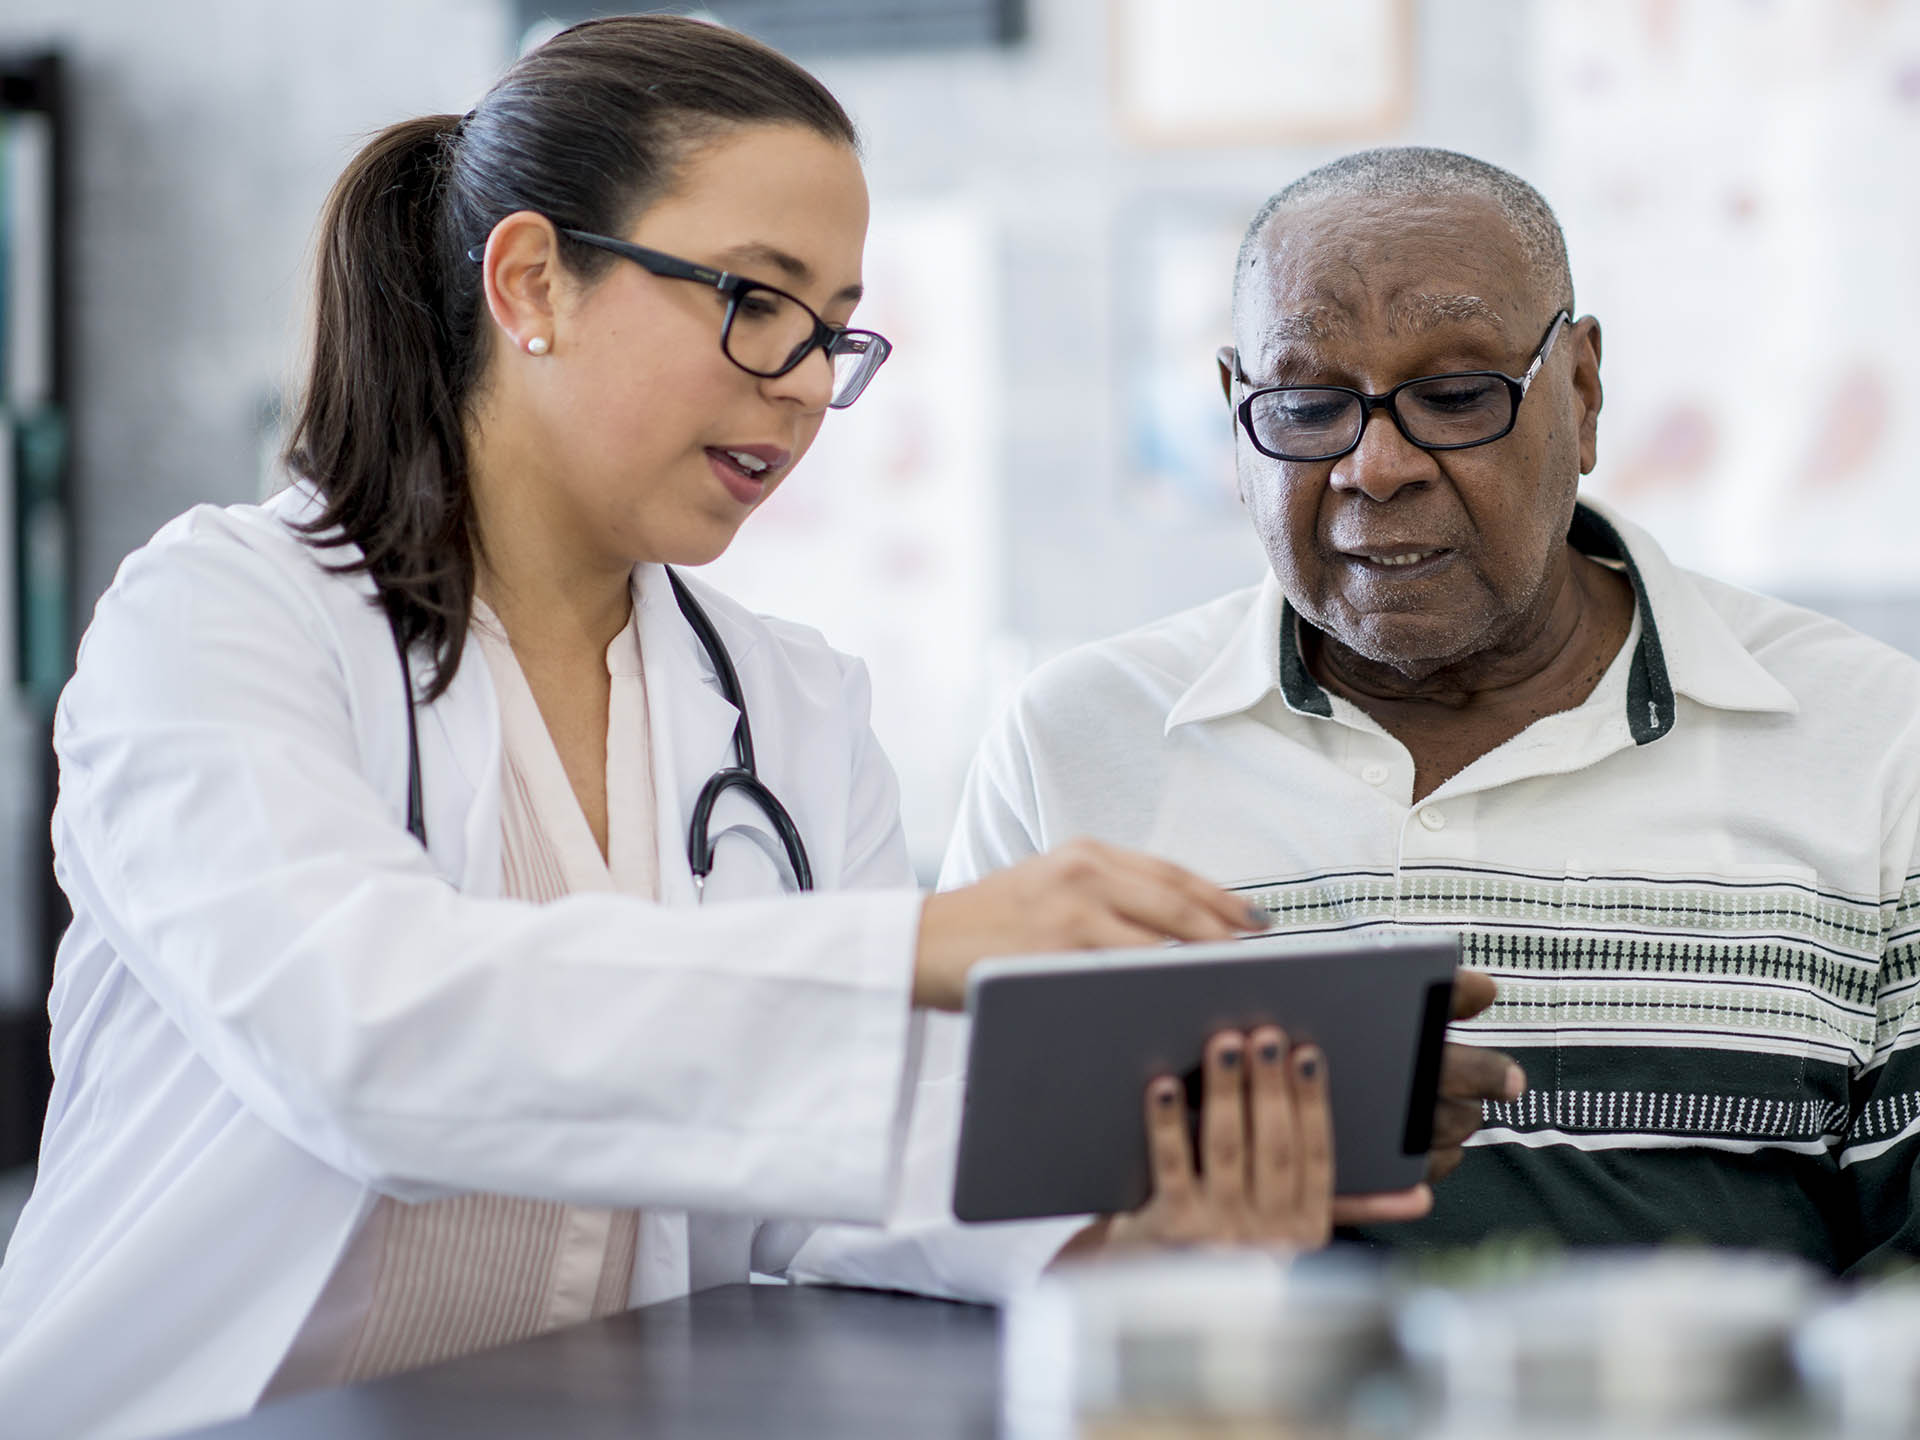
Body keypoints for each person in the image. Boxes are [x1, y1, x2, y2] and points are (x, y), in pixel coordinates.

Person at [0, 18, 1344, 1438]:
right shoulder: (220, 617)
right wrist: (909, 952)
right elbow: (362, 1038)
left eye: (833, 329)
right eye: (755, 300)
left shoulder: (793, 706)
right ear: (532, 282)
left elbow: (838, 1170)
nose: (810, 380)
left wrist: (1120, 1224)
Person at [790, 145, 1920, 1299]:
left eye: (1458, 396)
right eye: (1308, 405)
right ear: (1236, 416)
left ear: (1580, 394)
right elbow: (904, 1206)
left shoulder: (1873, 742)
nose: (1376, 467)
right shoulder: (1079, 744)